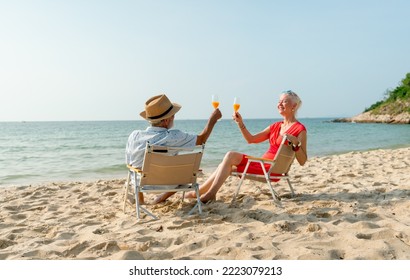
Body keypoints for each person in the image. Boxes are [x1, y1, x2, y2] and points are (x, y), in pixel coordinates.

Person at [187, 90, 307, 203]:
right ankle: (199, 192)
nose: (280, 104)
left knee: (230, 155)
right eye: (279, 101)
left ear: (294, 106)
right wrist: (240, 124)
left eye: (284, 101)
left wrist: (296, 143)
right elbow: (251, 139)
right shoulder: (275, 126)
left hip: (270, 168)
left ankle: (210, 194)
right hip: (262, 164)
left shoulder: (300, 129)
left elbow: (302, 161)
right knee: (224, 165)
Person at [125, 94, 222, 204]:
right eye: (173, 116)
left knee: (134, 168)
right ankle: (161, 197)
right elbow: (201, 140)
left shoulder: (134, 136)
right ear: (166, 120)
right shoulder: (174, 136)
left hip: (141, 183)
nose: (174, 118)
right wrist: (213, 119)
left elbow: (130, 163)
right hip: (169, 183)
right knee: (186, 174)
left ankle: (140, 201)